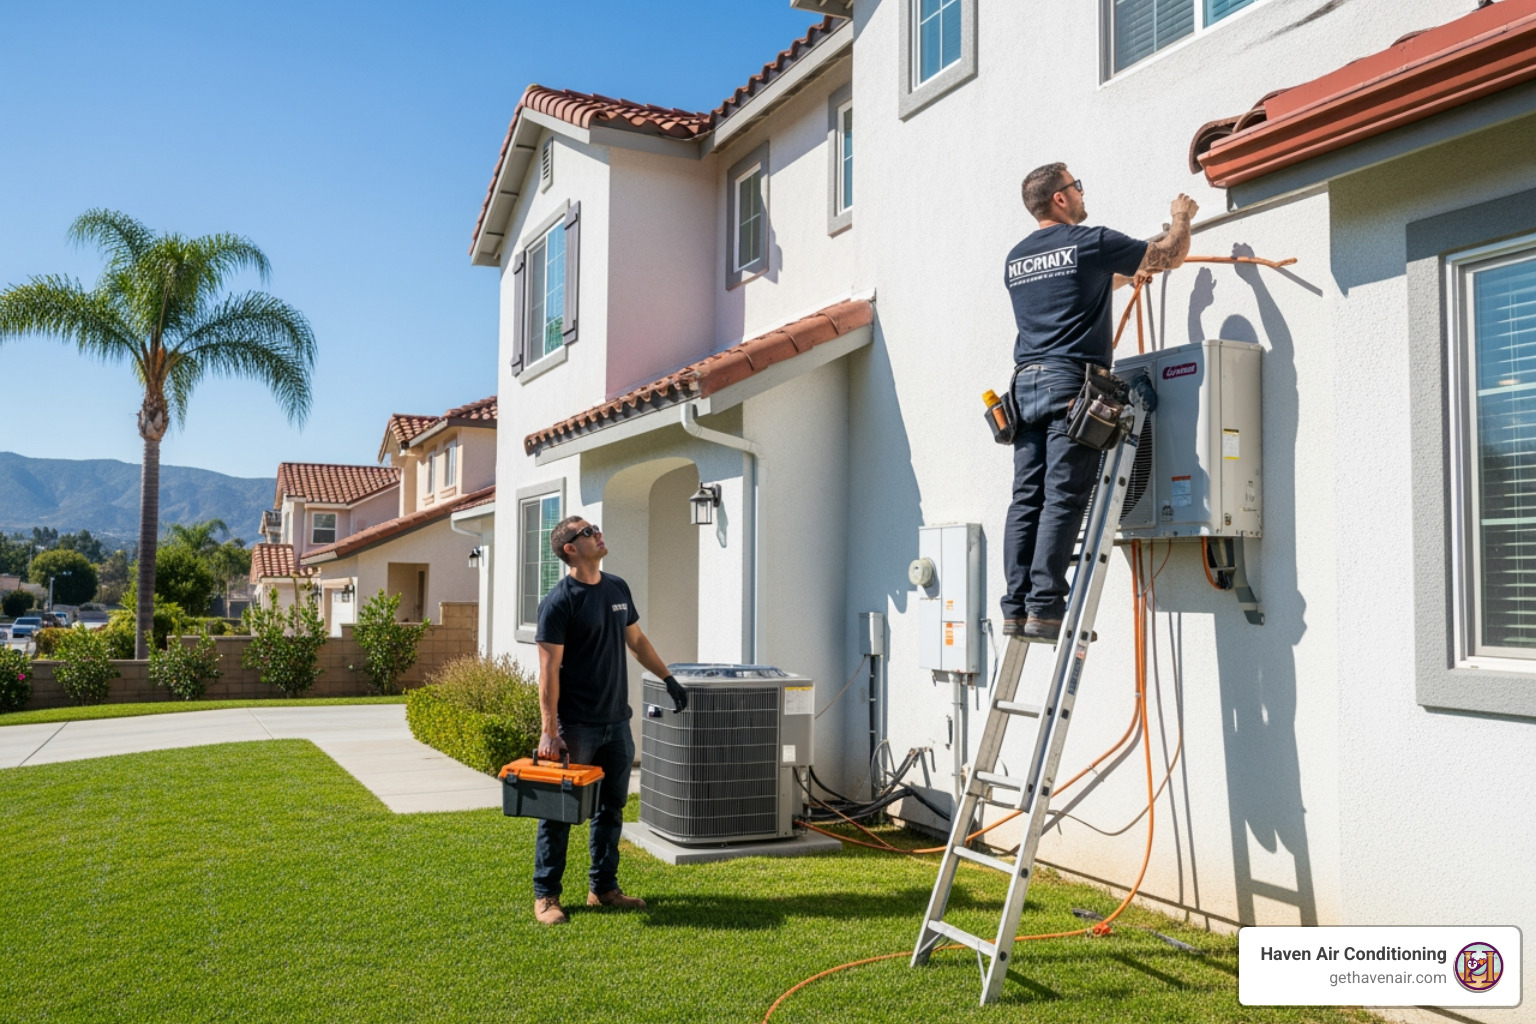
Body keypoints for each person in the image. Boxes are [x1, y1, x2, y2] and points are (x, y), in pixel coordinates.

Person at [1001, 162, 1197, 642]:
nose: (1082, 194)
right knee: (1063, 496)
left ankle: (1017, 607)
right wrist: (1181, 218)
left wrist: (1133, 268)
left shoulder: (1017, 258)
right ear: (1060, 198)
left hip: (1025, 387)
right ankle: (1046, 607)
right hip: (1069, 383)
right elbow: (1169, 256)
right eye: (1076, 187)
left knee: (1027, 499)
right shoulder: (1090, 241)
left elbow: (1091, 284)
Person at [531, 515, 688, 925]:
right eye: (588, 532)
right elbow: (548, 671)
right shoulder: (559, 601)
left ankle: (603, 889)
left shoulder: (617, 587)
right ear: (570, 548)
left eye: (596, 528)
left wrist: (668, 678)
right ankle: (546, 896)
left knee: (611, 808)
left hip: (616, 721)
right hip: (575, 725)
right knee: (559, 812)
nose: (598, 534)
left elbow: (636, 640)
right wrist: (549, 731)